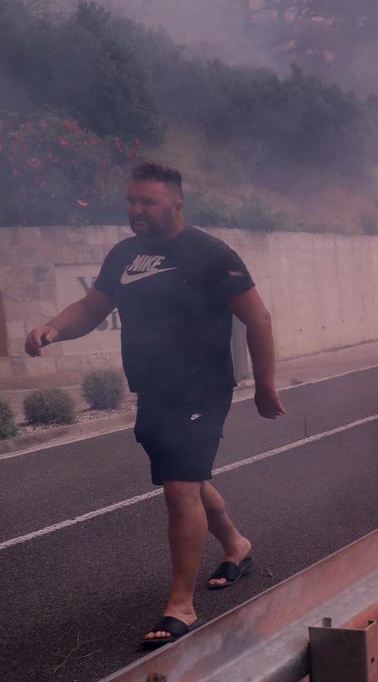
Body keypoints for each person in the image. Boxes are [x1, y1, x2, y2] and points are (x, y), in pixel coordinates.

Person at [25, 162, 285, 648]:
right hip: (154, 388)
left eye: (147, 201)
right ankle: (236, 544)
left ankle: (181, 606)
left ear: (176, 205)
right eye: (131, 201)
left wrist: (266, 384)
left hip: (202, 387)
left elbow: (259, 318)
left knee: (180, 490)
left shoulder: (210, 254)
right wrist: (54, 328)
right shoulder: (124, 255)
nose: (136, 210)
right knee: (182, 476)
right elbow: (90, 308)